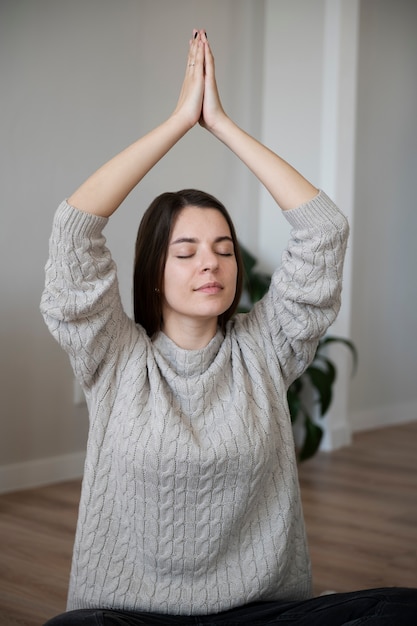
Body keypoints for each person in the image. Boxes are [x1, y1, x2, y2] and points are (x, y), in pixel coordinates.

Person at [41, 29, 416, 626]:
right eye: (186, 251)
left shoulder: (267, 349)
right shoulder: (113, 357)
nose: (210, 262)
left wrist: (221, 124)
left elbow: (324, 231)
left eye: (223, 248)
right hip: (131, 617)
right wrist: (177, 123)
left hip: (258, 612)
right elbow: (74, 233)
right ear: (155, 273)